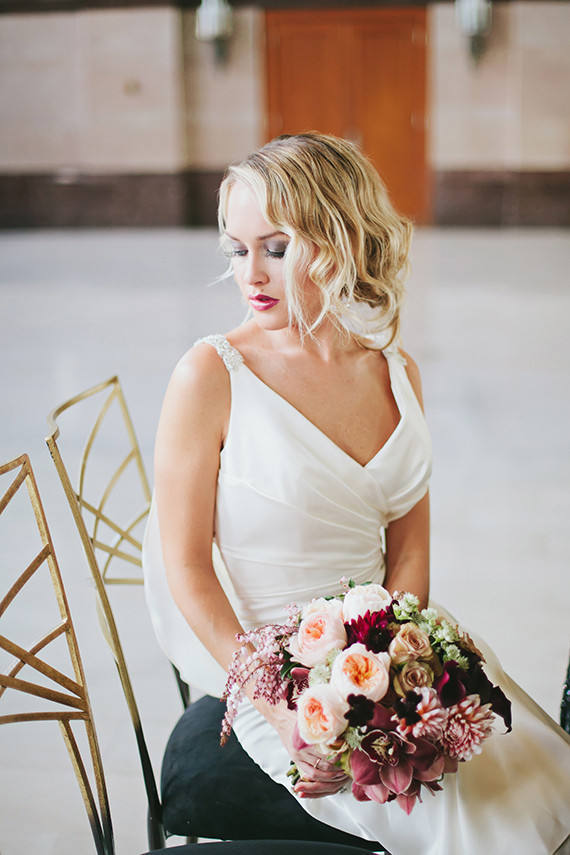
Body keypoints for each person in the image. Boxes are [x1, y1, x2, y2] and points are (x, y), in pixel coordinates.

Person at [143, 133, 570, 855]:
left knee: (535, 784)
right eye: (237, 250)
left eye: (276, 247)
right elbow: (185, 566)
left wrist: (403, 669)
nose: (251, 274)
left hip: (390, 652)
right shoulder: (210, 375)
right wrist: (280, 705)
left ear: (339, 241)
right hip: (276, 675)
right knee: (482, 827)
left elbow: (410, 549)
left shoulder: (396, 372)